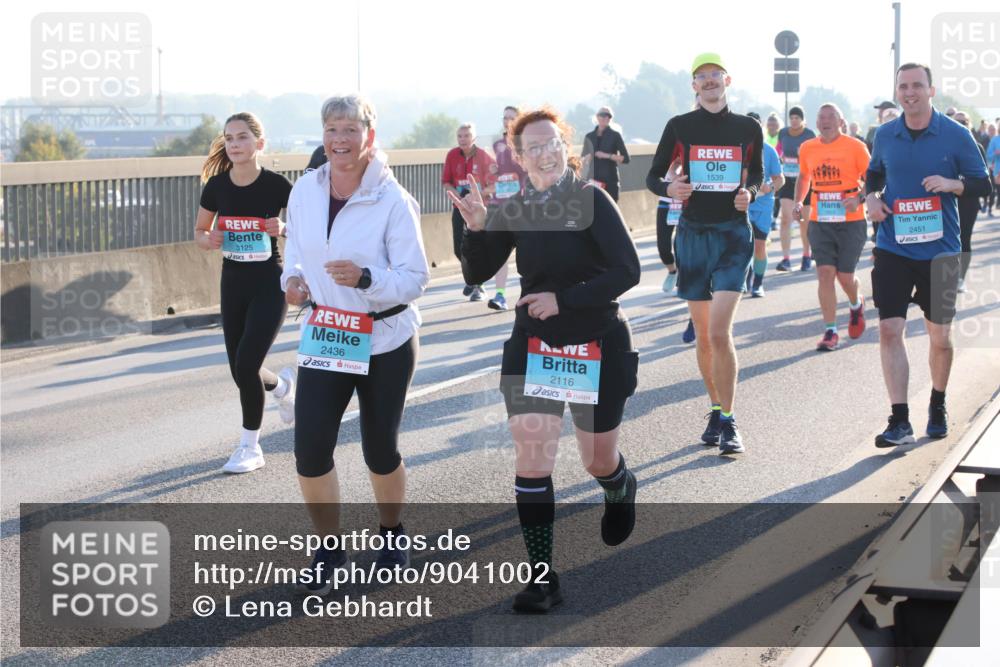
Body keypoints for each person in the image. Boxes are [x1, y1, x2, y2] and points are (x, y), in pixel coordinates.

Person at [453, 107, 641, 613]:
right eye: (531, 147)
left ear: (565, 144)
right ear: (519, 157)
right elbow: (478, 269)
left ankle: (619, 486)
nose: (543, 153)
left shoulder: (592, 199)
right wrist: (475, 227)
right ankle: (541, 579)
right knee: (533, 459)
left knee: (596, 458)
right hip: (533, 345)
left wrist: (566, 298)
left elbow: (628, 270)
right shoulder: (516, 207)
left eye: (550, 142)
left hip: (597, 342)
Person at [282, 94, 430, 587]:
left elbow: (414, 278)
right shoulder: (304, 189)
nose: (339, 140)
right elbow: (295, 250)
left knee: (378, 450)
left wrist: (366, 278)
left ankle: (392, 532)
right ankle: (329, 552)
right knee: (309, 449)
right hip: (327, 333)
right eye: (331, 129)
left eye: (350, 129)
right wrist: (293, 281)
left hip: (384, 337)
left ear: (370, 135)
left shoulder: (392, 200)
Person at [865, 64, 990, 446]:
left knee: (940, 337)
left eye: (917, 85)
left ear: (931, 90)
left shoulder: (956, 134)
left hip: (940, 252)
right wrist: (871, 198)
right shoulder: (885, 134)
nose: (909, 92)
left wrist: (953, 184)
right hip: (892, 246)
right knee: (889, 329)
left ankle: (937, 402)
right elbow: (873, 175)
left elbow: (982, 183)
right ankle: (899, 420)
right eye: (903, 86)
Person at [646, 52, 764, 455]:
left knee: (719, 332)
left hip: (733, 235)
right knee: (703, 336)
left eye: (716, 75)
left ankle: (730, 423)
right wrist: (669, 189)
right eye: (702, 77)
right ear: (694, 86)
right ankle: (715, 407)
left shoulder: (748, 127)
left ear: (727, 81)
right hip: (693, 235)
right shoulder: (679, 127)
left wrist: (751, 192)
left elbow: (760, 172)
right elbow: (653, 175)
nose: (710, 82)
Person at [195, 112, 295, 474]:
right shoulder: (217, 187)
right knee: (240, 370)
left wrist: (284, 226)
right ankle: (284, 388)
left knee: (247, 364)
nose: (234, 145)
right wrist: (210, 240)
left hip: (270, 281)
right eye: (229, 139)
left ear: (259, 143)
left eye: (241, 138)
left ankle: (249, 447)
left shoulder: (278, 185)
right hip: (233, 282)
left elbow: (310, 226)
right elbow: (200, 232)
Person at [794, 103, 871, 351]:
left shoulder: (855, 147)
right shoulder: (807, 148)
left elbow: (875, 179)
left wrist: (858, 198)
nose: (826, 121)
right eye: (822, 117)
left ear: (841, 121)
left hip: (852, 220)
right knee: (825, 273)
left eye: (831, 117)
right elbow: (804, 177)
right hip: (821, 220)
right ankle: (830, 331)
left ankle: (856, 303)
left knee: (845, 276)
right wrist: (798, 201)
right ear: (816, 123)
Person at [442, 123, 496, 301]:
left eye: (466, 136)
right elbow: (446, 181)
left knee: (476, 245)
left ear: (474, 138)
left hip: (478, 209)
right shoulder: (452, 155)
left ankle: (478, 285)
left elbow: (495, 183)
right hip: (460, 207)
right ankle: (471, 275)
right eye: (460, 136)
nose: (463, 139)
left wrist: (479, 194)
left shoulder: (484, 157)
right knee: (459, 247)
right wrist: (456, 194)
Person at [482, 105, 527, 311]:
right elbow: (504, 171)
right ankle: (500, 295)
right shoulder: (499, 143)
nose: (507, 121)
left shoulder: (524, 143)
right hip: (501, 202)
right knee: (501, 251)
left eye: (511, 117)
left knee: (527, 252)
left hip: (522, 202)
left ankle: (529, 293)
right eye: (505, 117)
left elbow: (526, 172)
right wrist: (495, 170)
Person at [745, 111, 784, 298]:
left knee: (759, 245)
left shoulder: (769, 151)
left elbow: (780, 179)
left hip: (763, 205)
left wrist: (770, 187)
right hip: (742, 203)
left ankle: (758, 283)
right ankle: (745, 278)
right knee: (743, 245)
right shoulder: (737, 150)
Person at [952, 111, 991, 291]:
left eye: (964, 121)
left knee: (964, 239)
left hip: (968, 201)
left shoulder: (977, 147)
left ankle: (960, 278)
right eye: (957, 121)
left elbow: (984, 181)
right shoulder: (945, 146)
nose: (960, 124)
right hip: (948, 201)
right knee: (945, 240)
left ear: (969, 124)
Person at [776, 105, 816, 271]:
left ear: (802, 119)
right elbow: (779, 150)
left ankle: (806, 256)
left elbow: (815, 156)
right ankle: (786, 259)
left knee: (803, 222)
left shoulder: (809, 134)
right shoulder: (783, 133)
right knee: (786, 219)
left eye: (797, 118)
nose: (793, 121)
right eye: (791, 118)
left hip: (805, 182)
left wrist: (803, 158)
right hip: (787, 181)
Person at [581, 106, 630, 202]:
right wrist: (588, 157)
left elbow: (626, 159)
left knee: (611, 211)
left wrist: (607, 155)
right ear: (597, 117)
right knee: (594, 211)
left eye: (609, 116)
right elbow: (582, 159)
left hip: (610, 181)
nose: (605, 118)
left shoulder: (615, 135)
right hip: (593, 180)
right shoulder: (589, 136)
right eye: (603, 115)